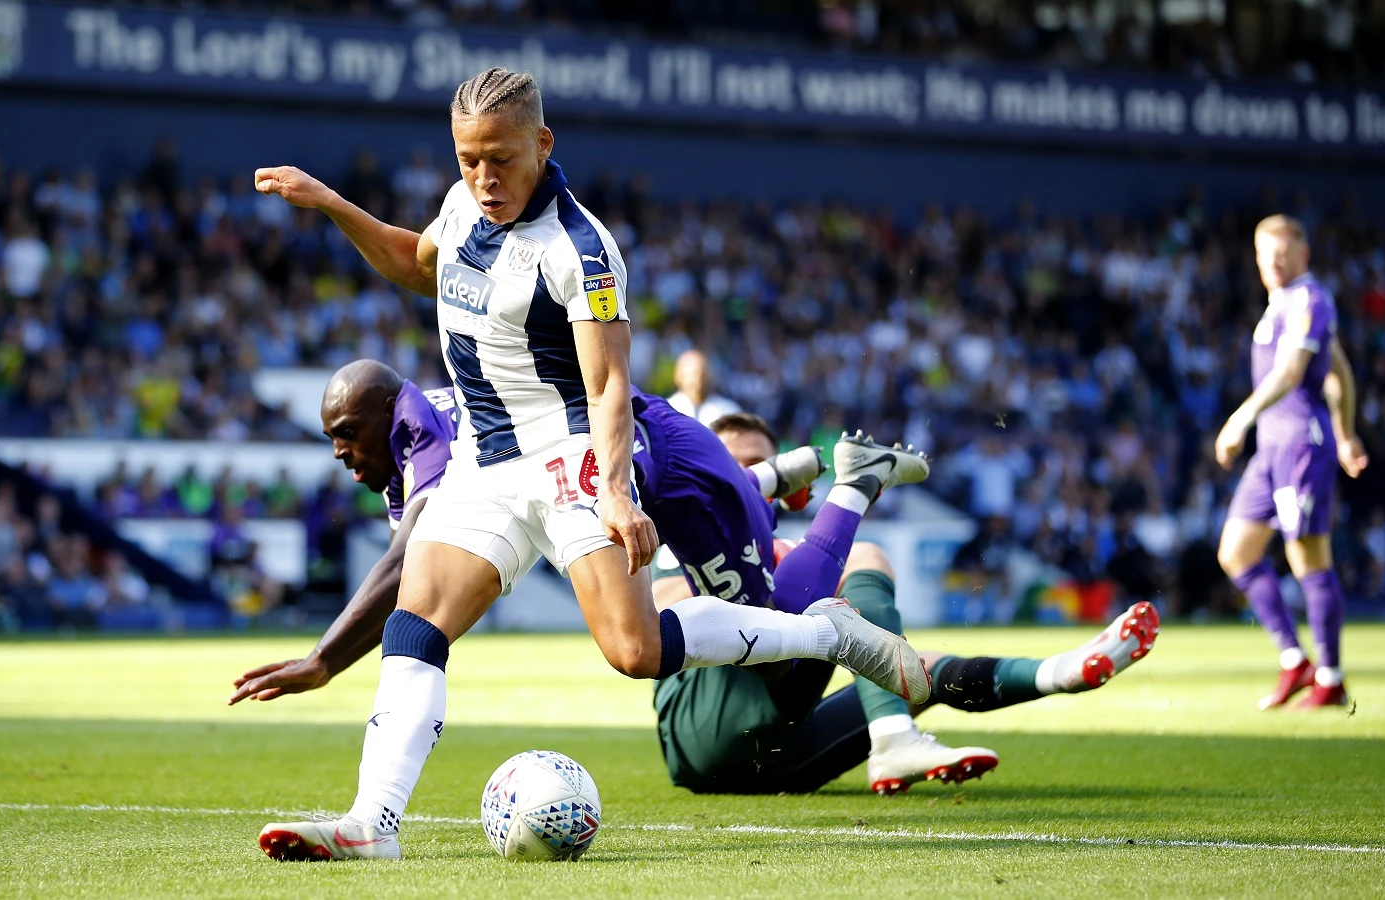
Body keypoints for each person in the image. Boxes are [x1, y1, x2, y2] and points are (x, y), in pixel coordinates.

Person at [247, 67, 928, 862]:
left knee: (633, 652)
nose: (483, 177)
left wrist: (612, 490)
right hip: (486, 458)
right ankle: (372, 823)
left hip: (571, 450)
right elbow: (415, 264)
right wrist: (331, 204)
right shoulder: (462, 203)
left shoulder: (581, 251)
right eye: (468, 158)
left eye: (499, 158)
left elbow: (607, 386)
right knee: (417, 621)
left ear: (542, 144)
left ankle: (820, 634)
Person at [651, 413, 1159, 795]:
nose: (752, 478)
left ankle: (1058, 673)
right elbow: (666, 609)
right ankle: (894, 735)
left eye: (760, 464)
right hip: (706, 726)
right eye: (737, 465)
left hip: (781, 757)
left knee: (911, 672)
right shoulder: (687, 542)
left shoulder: (794, 561)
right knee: (862, 557)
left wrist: (1055, 672)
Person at [1214, 214, 1368, 710]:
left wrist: (1241, 417)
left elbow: (1295, 370)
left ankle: (1331, 675)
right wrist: (1348, 434)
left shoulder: (1311, 299)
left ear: (1303, 254)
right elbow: (1339, 370)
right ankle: (1293, 661)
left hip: (1301, 445)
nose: (1274, 263)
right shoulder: (1280, 304)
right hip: (1272, 449)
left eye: (1283, 254)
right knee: (1236, 552)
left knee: (1307, 560)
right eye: (1266, 255)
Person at [667, 348, 740, 425]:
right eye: (693, 374)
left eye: (703, 374)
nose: (698, 380)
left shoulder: (728, 410)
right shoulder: (666, 411)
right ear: (678, 376)